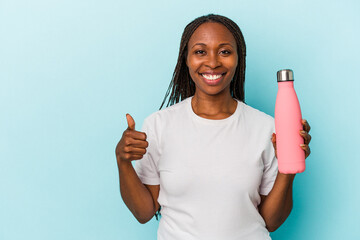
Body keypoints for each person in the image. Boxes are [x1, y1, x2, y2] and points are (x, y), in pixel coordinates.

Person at [115, 14, 312, 240]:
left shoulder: (266, 128)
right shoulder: (159, 125)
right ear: (186, 59)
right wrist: (122, 161)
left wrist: (288, 170)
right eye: (200, 51)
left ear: (239, 59)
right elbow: (144, 212)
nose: (213, 62)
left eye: (225, 51)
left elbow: (271, 222)